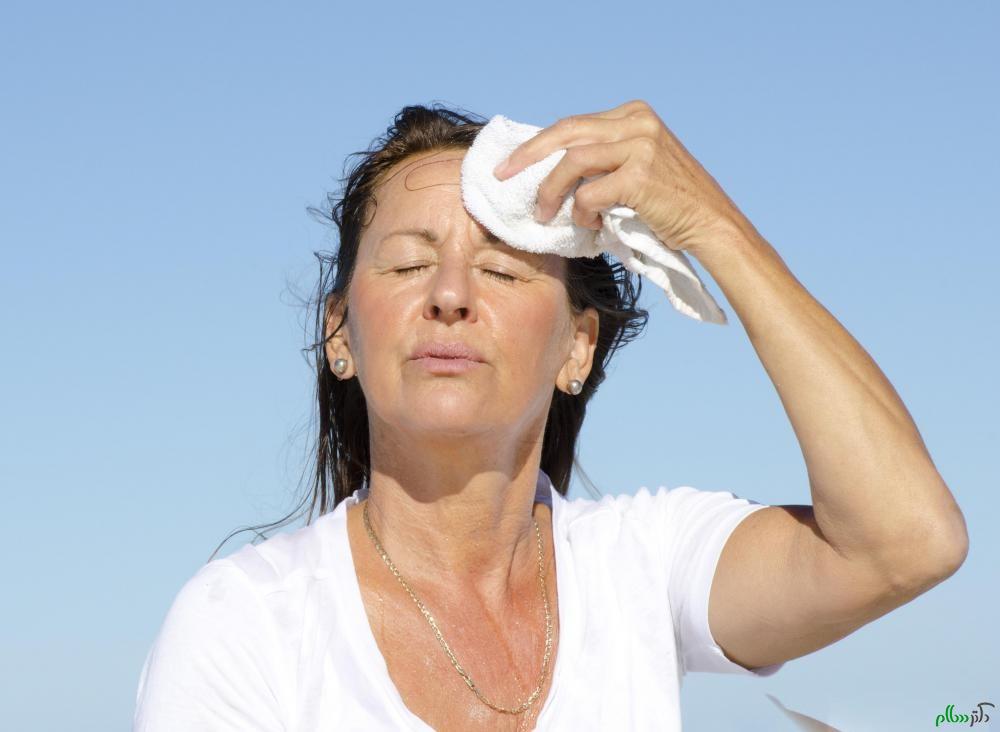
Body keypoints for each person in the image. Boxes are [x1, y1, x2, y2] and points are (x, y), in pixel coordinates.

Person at [132, 100, 968, 731]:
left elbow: (907, 542)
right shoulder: (244, 627)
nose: (451, 296)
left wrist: (713, 225)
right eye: (411, 262)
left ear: (577, 348)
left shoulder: (640, 566)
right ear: (340, 334)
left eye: (500, 272)